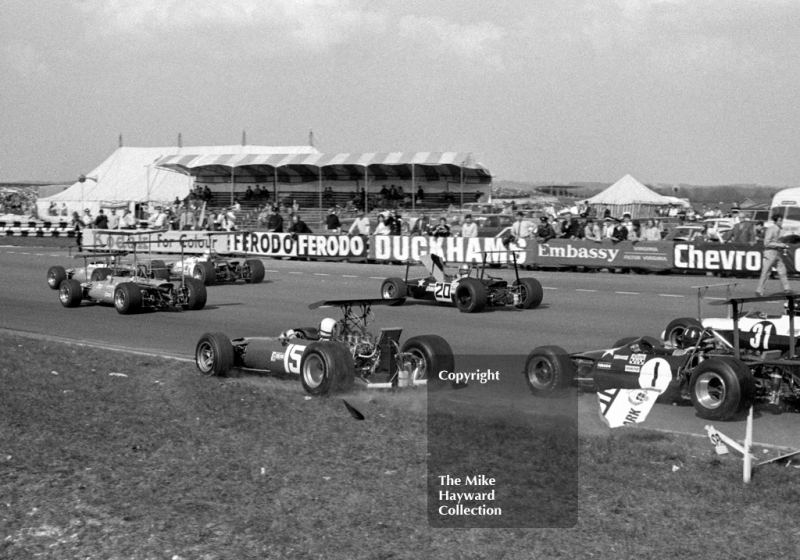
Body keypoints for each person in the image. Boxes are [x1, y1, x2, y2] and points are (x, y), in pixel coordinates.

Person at [756, 213, 792, 296]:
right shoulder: (771, 229)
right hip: (769, 253)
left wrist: (782, 245)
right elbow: (766, 243)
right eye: (780, 220)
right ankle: (759, 290)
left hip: (776, 253)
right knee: (766, 272)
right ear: (776, 221)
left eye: (781, 220)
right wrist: (780, 245)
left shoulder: (779, 229)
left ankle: (786, 289)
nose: (781, 222)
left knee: (782, 270)